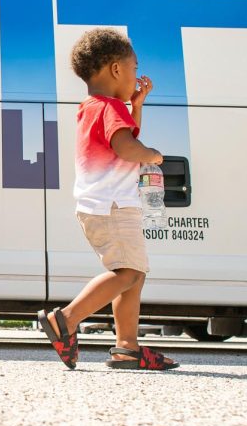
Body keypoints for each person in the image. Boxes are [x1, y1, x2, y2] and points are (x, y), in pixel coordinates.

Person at [37, 28, 178, 371]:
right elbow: (126, 147)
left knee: (134, 272)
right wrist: (154, 154)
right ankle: (66, 320)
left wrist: (136, 106)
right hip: (112, 205)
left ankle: (127, 347)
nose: (135, 76)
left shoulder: (95, 107)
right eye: (133, 68)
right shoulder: (110, 107)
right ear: (116, 70)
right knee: (128, 271)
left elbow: (123, 136)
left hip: (102, 204)